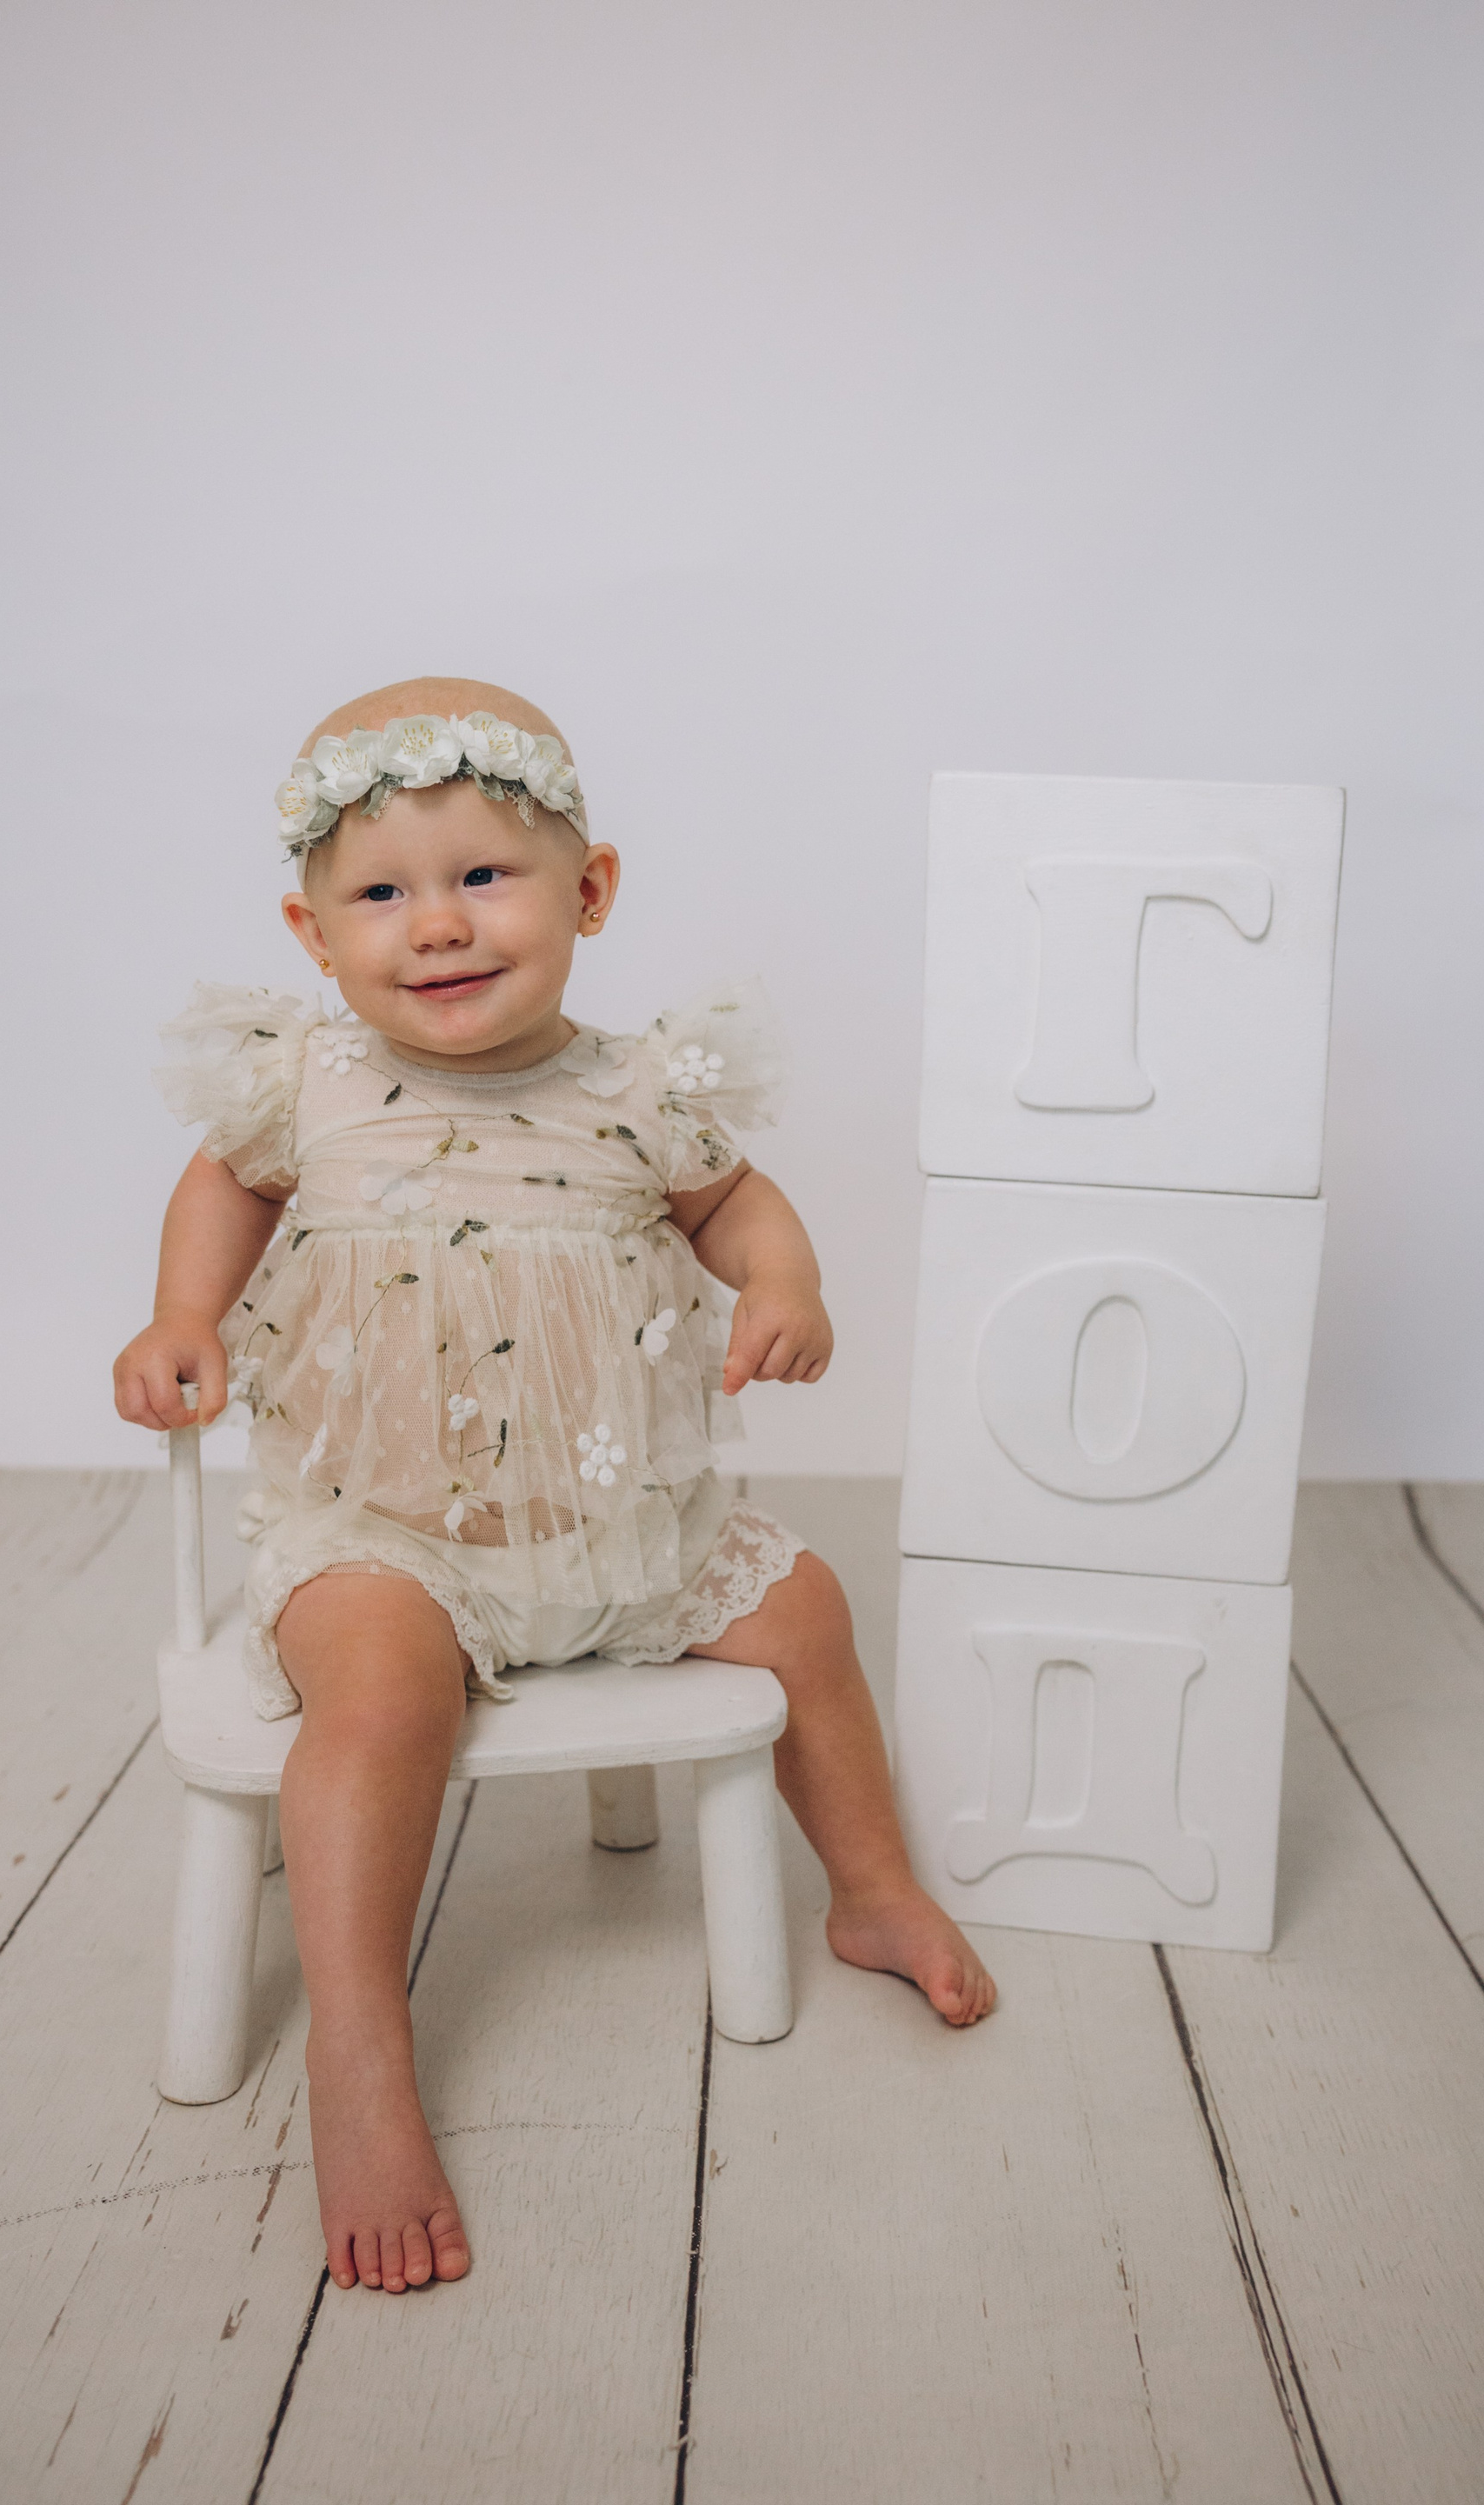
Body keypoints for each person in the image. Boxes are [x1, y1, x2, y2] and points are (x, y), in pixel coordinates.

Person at [113, 676, 995, 2296]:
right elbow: (222, 1194)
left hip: (617, 1530)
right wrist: (182, 1316)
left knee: (806, 1613)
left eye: (483, 876)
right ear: (315, 935)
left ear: (589, 891)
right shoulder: (304, 1084)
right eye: (383, 894)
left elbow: (737, 1205)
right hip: (382, 1541)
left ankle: (872, 1889)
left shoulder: (642, 1089)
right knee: (380, 1705)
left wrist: (783, 1281)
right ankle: (359, 2041)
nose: (439, 924)